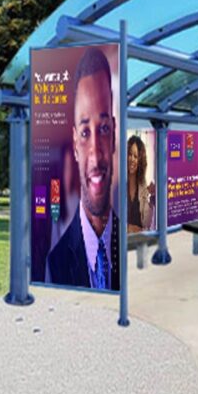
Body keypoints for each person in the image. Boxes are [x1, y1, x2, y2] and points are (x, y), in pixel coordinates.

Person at [47, 47, 120, 290]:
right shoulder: (55, 263)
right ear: (75, 143)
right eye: (86, 132)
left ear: (115, 133)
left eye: (104, 129)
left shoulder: (130, 241)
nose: (96, 154)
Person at [126, 134, 155, 232]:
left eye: (136, 156)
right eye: (129, 154)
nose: (132, 159)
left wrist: (152, 197)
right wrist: (130, 228)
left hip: (138, 242)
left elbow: (146, 223)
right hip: (121, 242)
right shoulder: (118, 183)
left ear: (140, 160)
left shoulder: (142, 184)